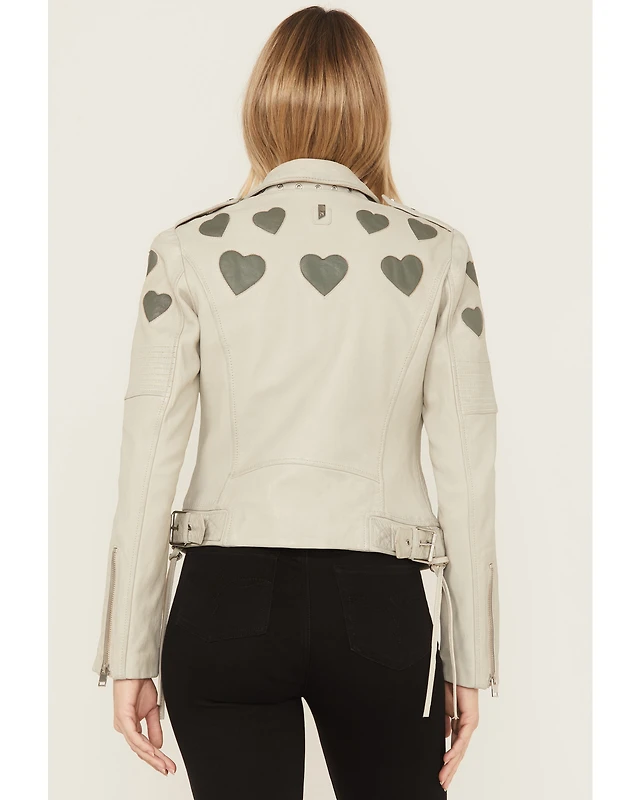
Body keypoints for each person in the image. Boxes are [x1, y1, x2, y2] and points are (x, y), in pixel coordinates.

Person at [91, 6, 500, 798]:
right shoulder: (437, 256)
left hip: (224, 603)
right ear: (373, 110)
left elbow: (147, 460)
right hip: (379, 607)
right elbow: (467, 461)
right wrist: (471, 656)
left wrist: (129, 650)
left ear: (261, 106)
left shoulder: (187, 250)